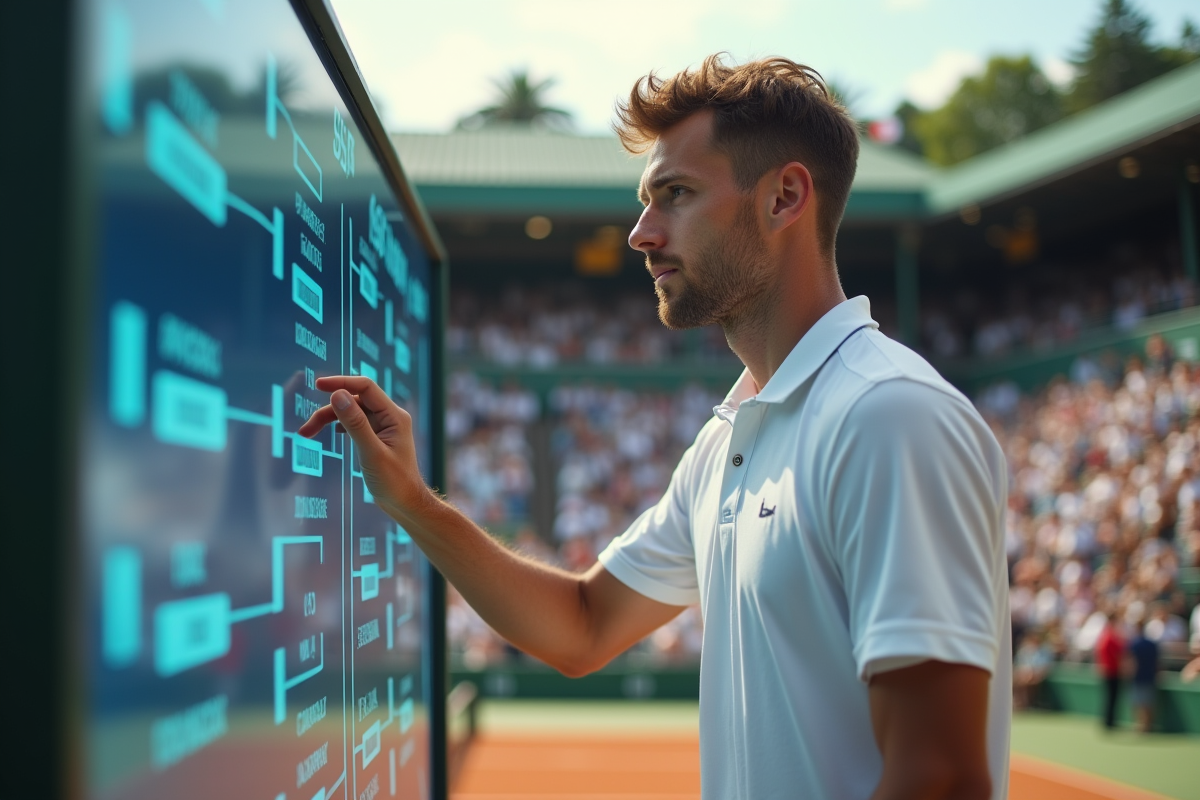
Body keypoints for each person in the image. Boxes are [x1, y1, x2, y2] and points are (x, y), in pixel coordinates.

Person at [301, 55, 1010, 800]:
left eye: (675, 195)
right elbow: (581, 624)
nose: (640, 233)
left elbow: (941, 778)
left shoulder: (888, 415)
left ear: (785, 197)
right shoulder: (724, 440)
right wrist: (413, 502)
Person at [1094, 612, 1125, 730]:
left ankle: (1109, 721)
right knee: (1111, 697)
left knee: (1111, 697)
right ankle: (1109, 721)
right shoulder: (1110, 636)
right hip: (1112, 671)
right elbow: (1118, 654)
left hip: (1110, 670)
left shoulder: (1106, 635)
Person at [1128, 620, 1159, 733]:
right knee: (1148, 702)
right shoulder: (1152, 644)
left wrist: (1130, 673)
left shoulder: (1135, 643)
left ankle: (1142, 726)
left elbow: (1132, 661)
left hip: (1139, 677)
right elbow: (1157, 662)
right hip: (1150, 676)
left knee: (1140, 702)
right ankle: (1147, 725)